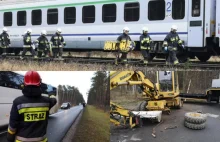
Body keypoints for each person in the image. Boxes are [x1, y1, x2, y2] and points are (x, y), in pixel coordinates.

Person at [7, 71, 57, 142]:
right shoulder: (46, 102)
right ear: (39, 83)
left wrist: (10, 138)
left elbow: (13, 125)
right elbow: (54, 100)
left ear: (24, 83)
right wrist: (51, 93)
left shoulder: (17, 102)